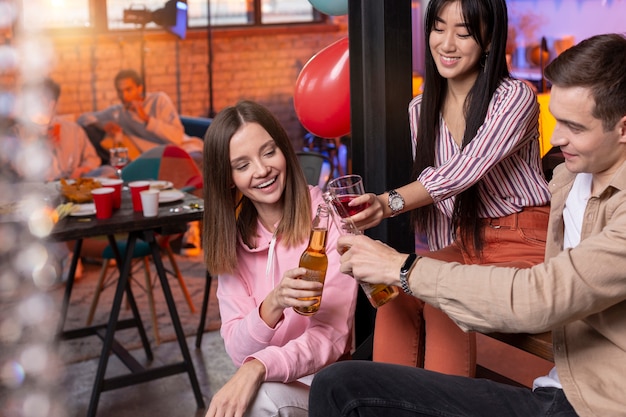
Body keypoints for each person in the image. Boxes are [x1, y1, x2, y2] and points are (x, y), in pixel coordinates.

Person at [310, 33, 626, 417]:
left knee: (434, 298)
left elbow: (543, 295)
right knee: (338, 384)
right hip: (555, 388)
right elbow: (454, 209)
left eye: (574, 127)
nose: (556, 138)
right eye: (557, 120)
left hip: (593, 405)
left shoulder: (513, 99)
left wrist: (402, 263)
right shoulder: (567, 177)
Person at [348, 0, 551, 376]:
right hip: (467, 242)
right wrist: (435, 259)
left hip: (525, 239)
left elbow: (463, 171)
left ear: (489, 41)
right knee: (397, 292)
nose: (447, 44)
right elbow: (444, 205)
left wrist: (388, 202)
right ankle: (389, 404)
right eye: (439, 28)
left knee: (442, 295)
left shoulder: (514, 98)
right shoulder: (419, 110)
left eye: (464, 32)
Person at [202, 100, 358, 416]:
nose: (262, 170)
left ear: (284, 150)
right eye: (242, 165)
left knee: (258, 399)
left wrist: (259, 366)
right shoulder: (233, 242)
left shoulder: (328, 221)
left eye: (268, 152)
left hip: (329, 384)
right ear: (229, 177)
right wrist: (273, 304)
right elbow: (237, 351)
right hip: (272, 379)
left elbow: (332, 336)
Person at [77, 69, 203, 167]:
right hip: (158, 159)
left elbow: (176, 138)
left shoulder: (158, 100)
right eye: (120, 91)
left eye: (129, 90)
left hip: (185, 149)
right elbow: (83, 118)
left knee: (197, 161)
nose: (124, 96)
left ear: (140, 88)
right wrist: (102, 125)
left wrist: (147, 119)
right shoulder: (119, 112)